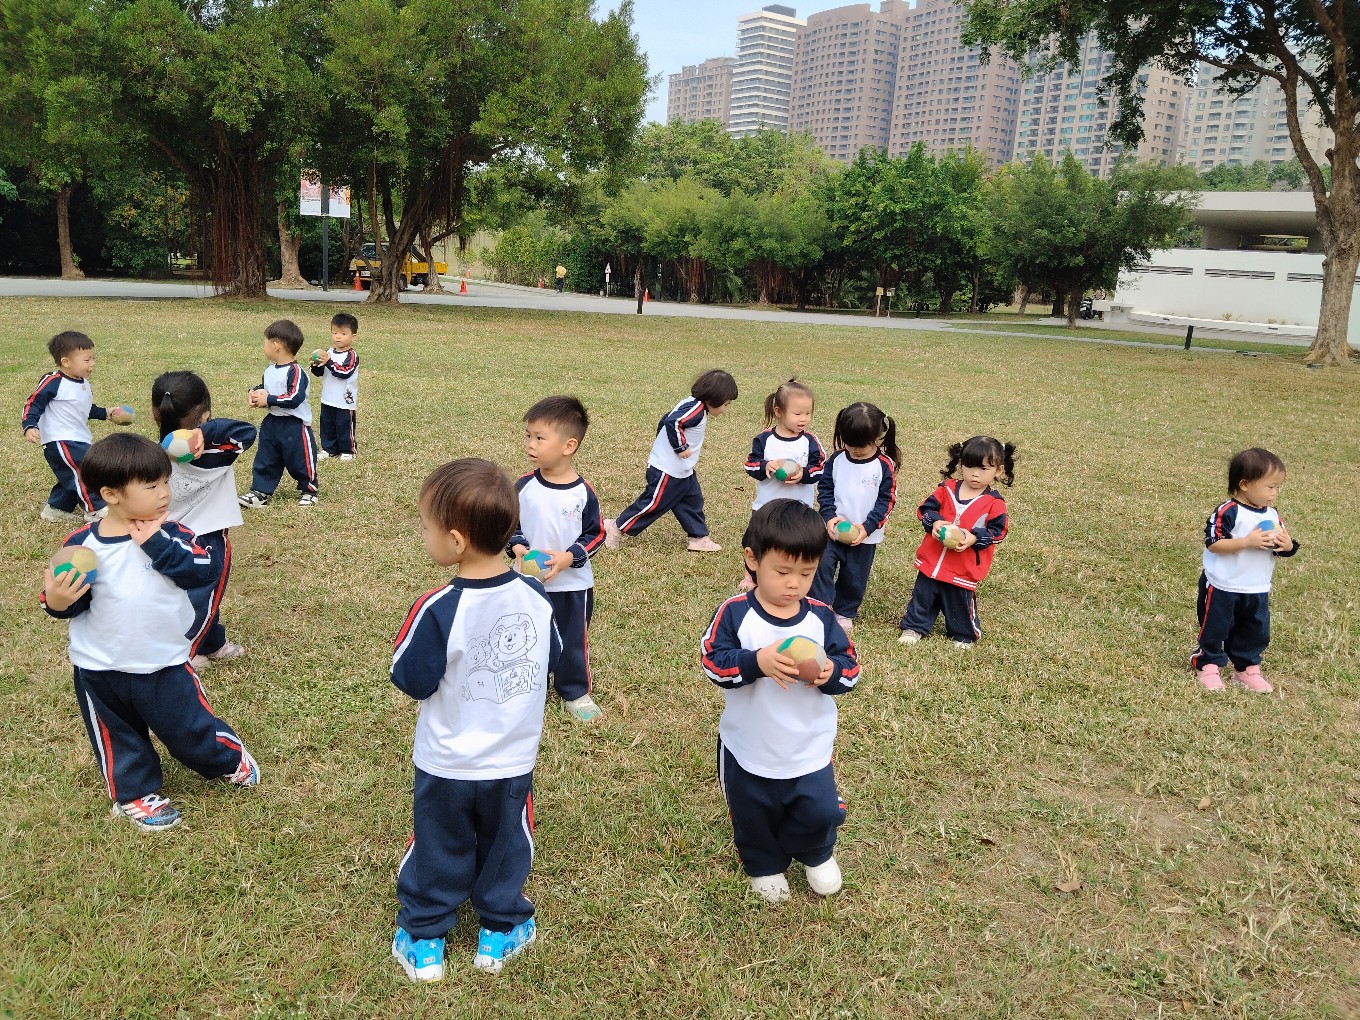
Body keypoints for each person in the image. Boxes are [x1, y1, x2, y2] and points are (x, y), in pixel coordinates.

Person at [390, 458, 561, 982]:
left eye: (426, 527)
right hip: (511, 762)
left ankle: (424, 938)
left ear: (457, 541)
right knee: (506, 844)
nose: (423, 535)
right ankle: (500, 930)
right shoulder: (535, 597)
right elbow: (553, 657)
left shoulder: (438, 607)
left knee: (438, 843)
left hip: (446, 762)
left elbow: (409, 677)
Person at [40, 433, 259, 832]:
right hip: (99, 666)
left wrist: (156, 544)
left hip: (163, 661)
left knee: (189, 729)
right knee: (118, 736)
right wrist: (56, 600)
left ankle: (228, 758)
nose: (165, 493)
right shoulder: (82, 546)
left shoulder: (173, 532)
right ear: (111, 494)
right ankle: (134, 793)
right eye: (151, 485)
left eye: (165, 482)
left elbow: (202, 571)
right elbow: (66, 599)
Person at [700, 499, 860, 903]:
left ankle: (816, 852)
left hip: (808, 744)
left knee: (820, 810)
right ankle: (765, 864)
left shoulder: (821, 617)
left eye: (807, 573)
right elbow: (713, 663)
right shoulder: (736, 614)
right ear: (753, 560)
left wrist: (831, 673)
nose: (794, 584)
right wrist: (756, 662)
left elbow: (851, 668)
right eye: (783, 572)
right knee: (753, 815)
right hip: (749, 746)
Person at [507, 396, 605, 723]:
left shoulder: (583, 493)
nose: (530, 444)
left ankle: (574, 691)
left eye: (539, 437)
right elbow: (509, 525)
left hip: (572, 586)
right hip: (526, 583)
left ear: (568, 445)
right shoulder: (522, 487)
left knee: (572, 640)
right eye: (528, 435)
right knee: (522, 635)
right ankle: (522, 685)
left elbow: (596, 534)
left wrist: (568, 558)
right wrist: (518, 548)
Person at [151, 371, 257, 671]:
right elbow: (247, 431)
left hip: (165, 535)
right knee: (203, 596)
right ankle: (186, 650)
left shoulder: (152, 454)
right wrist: (207, 432)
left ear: (155, 414)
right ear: (205, 414)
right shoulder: (219, 450)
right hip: (207, 539)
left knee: (190, 596)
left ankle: (212, 643)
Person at [1191, 447, 1299, 693]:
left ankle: (1247, 669)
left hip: (1256, 586)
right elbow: (1214, 543)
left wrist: (1287, 546)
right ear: (1245, 484)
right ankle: (1208, 664)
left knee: (1254, 630)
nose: (1275, 493)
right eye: (1270, 487)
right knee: (1216, 627)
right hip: (1223, 585)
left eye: (1278, 487)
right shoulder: (1228, 511)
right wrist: (1246, 542)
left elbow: (1278, 547)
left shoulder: (1272, 514)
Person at [604, 369, 739, 553]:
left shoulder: (692, 404)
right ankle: (616, 527)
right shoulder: (696, 410)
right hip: (667, 470)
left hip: (682, 470)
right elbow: (673, 422)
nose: (725, 409)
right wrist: (680, 446)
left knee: (691, 501)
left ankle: (698, 537)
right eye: (726, 404)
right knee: (653, 504)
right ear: (714, 398)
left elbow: (665, 419)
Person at [898, 436, 1015, 648]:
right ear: (961, 464)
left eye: (984, 468)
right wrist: (934, 522)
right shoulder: (947, 489)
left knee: (959, 603)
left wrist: (974, 537)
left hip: (963, 568)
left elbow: (999, 532)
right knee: (922, 597)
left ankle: (964, 634)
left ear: (998, 470)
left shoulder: (994, 503)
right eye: (969, 466)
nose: (975, 474)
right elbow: (925, 509)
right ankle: (914, 627)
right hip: (932, 561)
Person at [22, 330, 133, 524]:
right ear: (66, 362)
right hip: (60, 439)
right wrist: (29, 425)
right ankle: (95, 510)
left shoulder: (83, 383)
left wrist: (106, 413)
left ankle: (56, 508)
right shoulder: (54, 381)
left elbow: (85, 409)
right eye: (87, 360)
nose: (93, 363)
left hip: (78, 437)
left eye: (93, 358)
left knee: (71, 474)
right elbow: (34, 403)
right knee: (85, 471)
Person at [809, 402, 899, 633]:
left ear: (878, 437)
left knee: (854, 578)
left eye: (862, 445)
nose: (856, 450)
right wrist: (829, 517)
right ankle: (820, 606)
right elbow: (825, 489)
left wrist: (867, 528)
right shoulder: (836, 460)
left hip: (864, 537)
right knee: (821, 566)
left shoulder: (884, 465)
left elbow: (887, 501)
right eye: (850, 444)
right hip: (831, 531)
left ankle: (844, 611)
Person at [739, 378, 826, 591]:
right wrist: (765, 466)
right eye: (797, 414)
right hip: (766, 505)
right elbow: (750, 464)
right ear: (778, 412)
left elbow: (820, 468)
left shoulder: (810, 441)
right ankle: (751, 575)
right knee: (755, 540)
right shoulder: (765, 439)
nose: (804, 418)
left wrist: (803, 474)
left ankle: (790, 572)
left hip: (798, 508)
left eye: (808, 413)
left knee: (792, 542)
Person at [238, 319, 320, 508]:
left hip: (294, 425)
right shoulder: (270, 370)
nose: (263, 347)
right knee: (266, 458)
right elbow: (266, 388)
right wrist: (255, 393)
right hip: (272, 423)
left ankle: (309, 490)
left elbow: (294, 397)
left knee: (301, 459)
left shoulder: (296, 372)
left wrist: (269, 399)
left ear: (276, 346)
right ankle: (260, 491)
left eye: (265, 342)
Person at [311, 312, 360, 461]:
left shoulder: (352, 355)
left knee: (344, 425)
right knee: (327, 424)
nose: (338, 337)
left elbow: (344, 372)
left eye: (343, 333)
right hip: (328, 397)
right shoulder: (328, 353)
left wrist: (328, 362)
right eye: (335, 333)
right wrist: (316, 365)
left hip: (344, 400)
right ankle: (328, 448)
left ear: (353, 336)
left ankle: (347, 449)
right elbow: (320, 373)